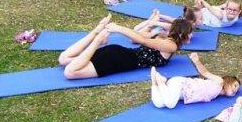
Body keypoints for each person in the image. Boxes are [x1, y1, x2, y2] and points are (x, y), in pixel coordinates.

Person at [58, 15, 191, 79]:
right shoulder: (170, 45)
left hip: (117, 54)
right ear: (181, 34)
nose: (191, 36)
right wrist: (119, 28)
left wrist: (157, 23)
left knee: (64, 59)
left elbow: (135, 37)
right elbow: (142, 40)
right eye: (189, 33)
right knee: (70, 73)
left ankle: (96, 32)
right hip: (116, 60)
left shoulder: (161, 37)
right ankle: (98, 39)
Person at [150, 53, 240, 109]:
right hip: (181, 84)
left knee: (159, 103)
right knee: (170, 104)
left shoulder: (217, 95)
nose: (235, 89)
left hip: (180, 93)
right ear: (228, 80)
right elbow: (205, 72)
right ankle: (161, 82)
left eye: (237, 90)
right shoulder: (219, 81)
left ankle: (154, 83)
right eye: (235, 85)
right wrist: (196, 61)